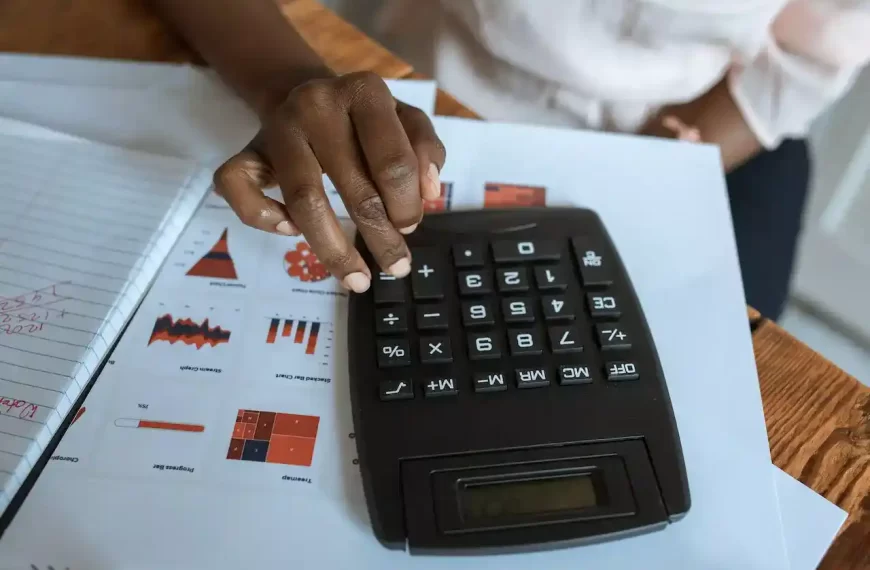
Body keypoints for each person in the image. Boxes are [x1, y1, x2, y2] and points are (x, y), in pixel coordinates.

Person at [153, 0, 870, 320]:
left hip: (701, 118)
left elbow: (815, 46)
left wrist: (669, 156)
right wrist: (284, 80)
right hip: (443, 82)